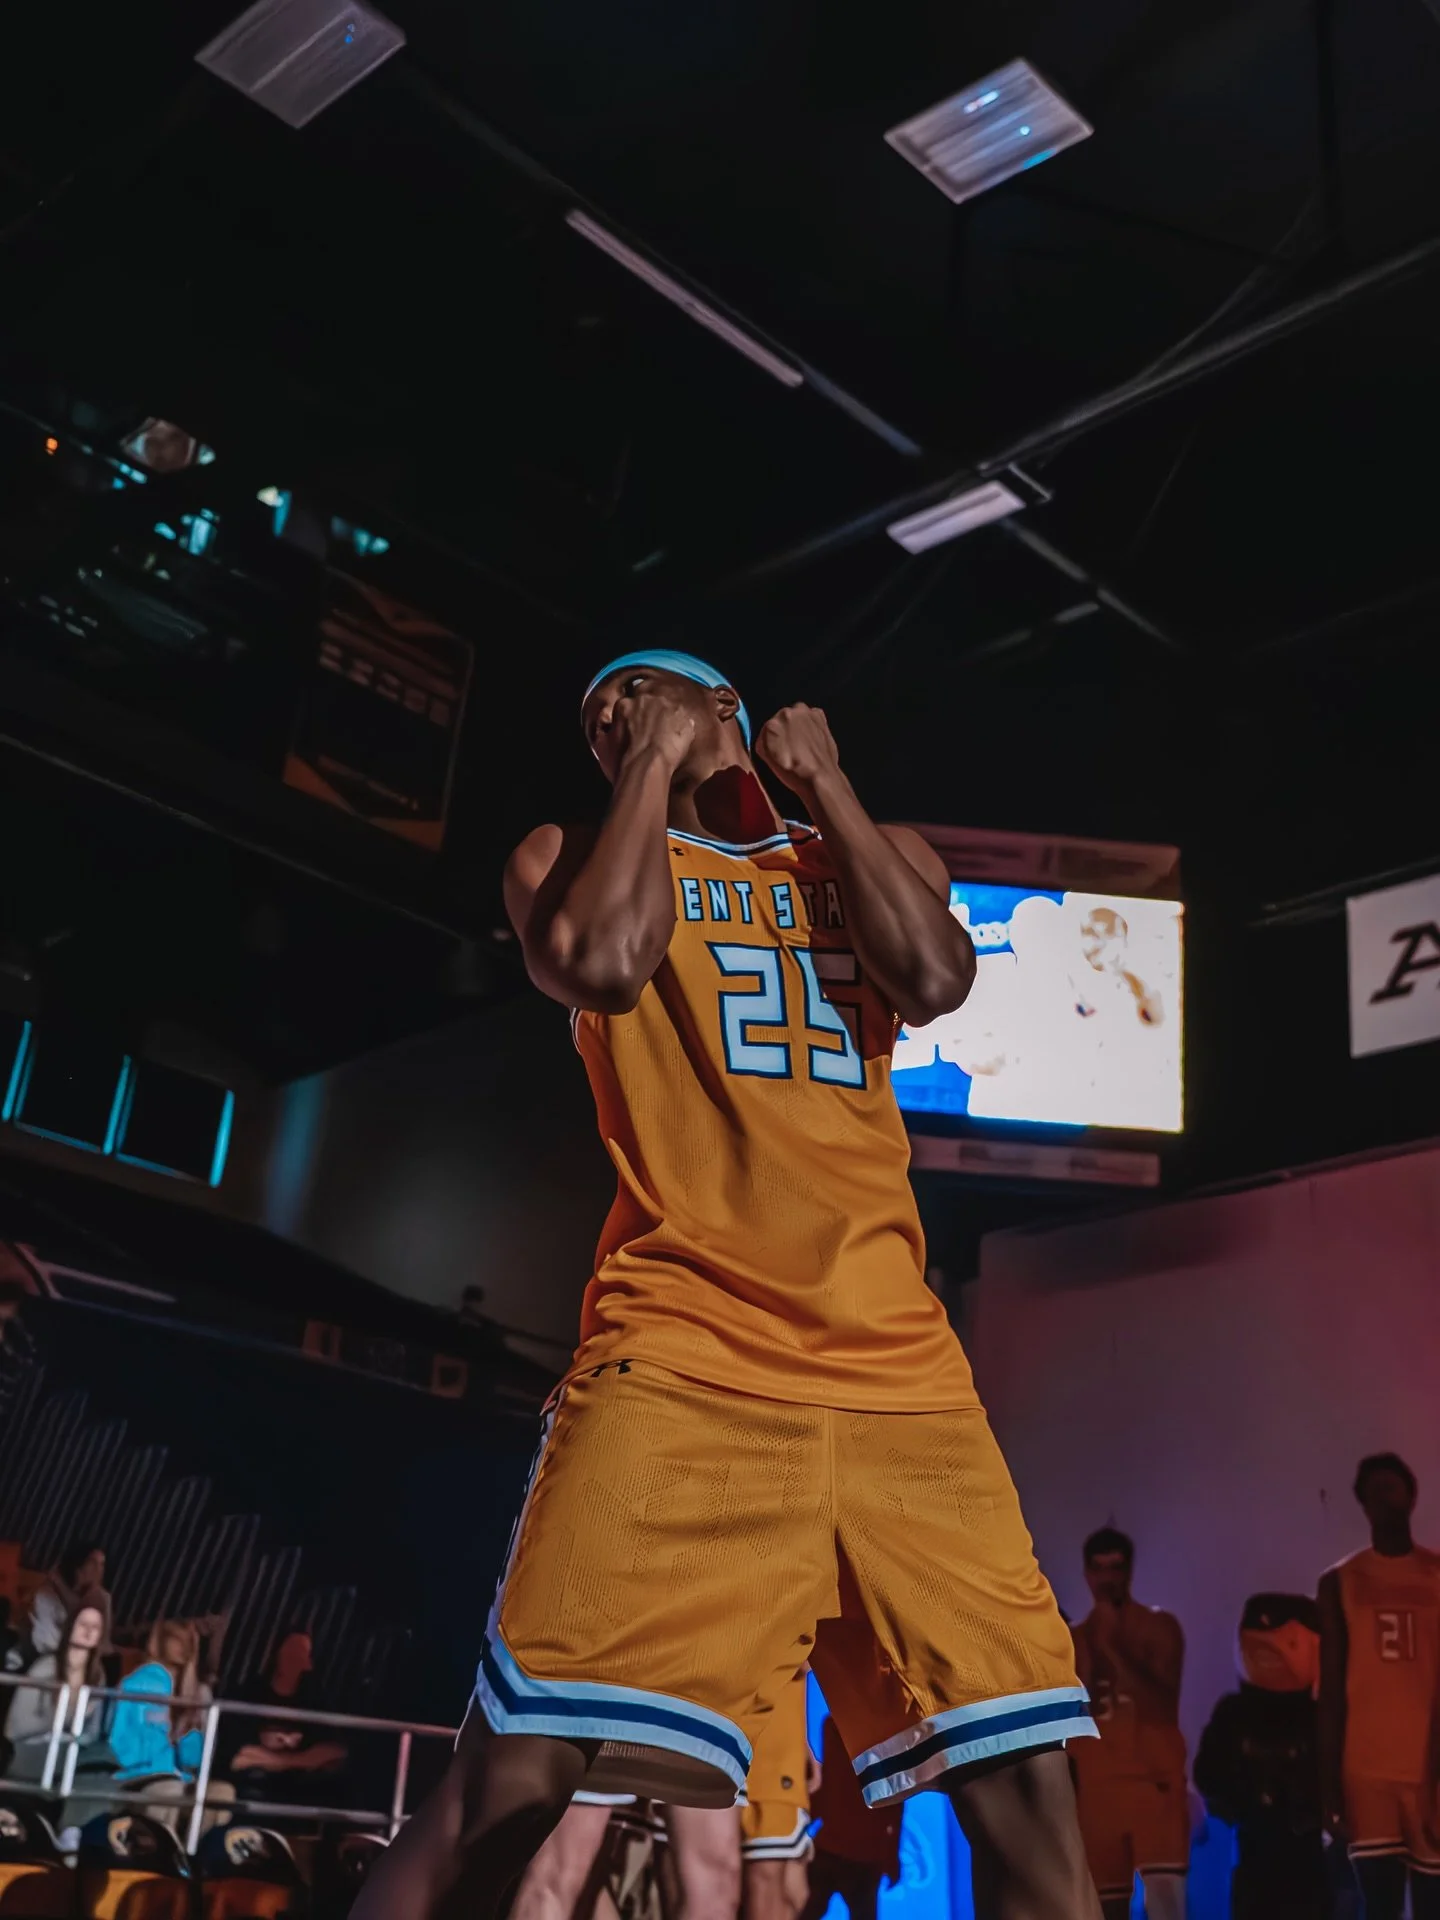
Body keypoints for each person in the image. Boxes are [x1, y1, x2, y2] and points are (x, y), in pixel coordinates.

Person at [352, 648, 1098, 1920]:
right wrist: (644, 760)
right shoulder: (563, 854)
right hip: (685, 1363)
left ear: (730, 712)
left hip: (900, 1383)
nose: (608, 720)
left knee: (1030, 1802)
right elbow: (598, 961)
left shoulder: (865, 851)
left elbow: (936, 979)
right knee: (511, 1787)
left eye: (634, 695)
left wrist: (829, 787)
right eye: (596, 715)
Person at [1318, 1452, 1440, 1920]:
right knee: (1380, 1905)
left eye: (1392, 1488)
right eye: (1374, 1492)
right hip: (1366, 1770)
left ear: (1411, 1496)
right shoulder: (1340, 1582)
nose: (1384, 1499)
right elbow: (1330, 1691)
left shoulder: (1434, 1574)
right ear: (1362, 1504)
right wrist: (1329, 1785)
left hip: (1427, 1764)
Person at [1070, 1529, 1189, 1920]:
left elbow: (1163, 1701)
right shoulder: (1074, 1639)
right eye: (1099, 1568)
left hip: (1154, 1787)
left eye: (1116, 1567)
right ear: (1087, 1574)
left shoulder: (1160, 1627)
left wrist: (1111, 1647)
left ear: (1129, 1571)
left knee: (1165, 1904)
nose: (1107, 1578)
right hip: (1097, 1791)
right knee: (1104, 1908)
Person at [1193, 1593, 1328, 1920]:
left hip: (1305, 1858)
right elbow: (1208, 1775)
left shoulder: (1319, 1717)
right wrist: (1247, 1795)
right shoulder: (1235, 1712)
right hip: (1257, 1851)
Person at [111, 1618, 234, 1835]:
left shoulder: (194, 1692)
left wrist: (186, 1732)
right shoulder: (136, 1684)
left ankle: (190, 1856)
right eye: (175, 1639)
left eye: (187, 1641)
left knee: (222, 1793)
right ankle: (156, 1857)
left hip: (179, 1778)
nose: (182, 1646)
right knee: (169, 1790)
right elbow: (117, 1744)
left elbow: (192, 1761)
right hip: (137, 1776)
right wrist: (160, 1739)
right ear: (160, 1642)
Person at [223, 1628, 349, 1805]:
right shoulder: (250, 1693)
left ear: (308, 1663)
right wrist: (305, 1759)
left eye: (300, 1653)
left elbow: (336, 1749)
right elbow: (239, 1757)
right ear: (276, 1654)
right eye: (289, 1651)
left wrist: (282, 1761)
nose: (293, 1657)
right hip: (254, 1780)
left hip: (295, 1780)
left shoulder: (314, 1701)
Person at [800, 1713, 901, 1920]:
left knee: (807, 1911)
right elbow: (894, 1802)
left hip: (837, 1848)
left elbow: (829, 1785)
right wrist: (891, 1857)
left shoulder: (834, 1724)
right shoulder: (889, 1733)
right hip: (859, 1852)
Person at [26, 1540, 112, 1663]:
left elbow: (81, 1610)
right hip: (54, 1656)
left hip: (96, 1660)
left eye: (102, 1564)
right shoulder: (51, 1594)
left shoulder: (101, 1596)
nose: (99, 1569)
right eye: (93, 1563)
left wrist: (58, 1582)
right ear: (79, 1566)